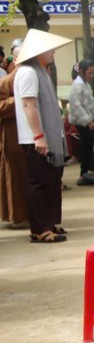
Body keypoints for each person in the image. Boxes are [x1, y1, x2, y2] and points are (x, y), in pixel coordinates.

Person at [14, 29, 72, 243]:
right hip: (35, 139)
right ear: (39, 51)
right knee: (38, 183)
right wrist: (39, 135)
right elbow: (29, 105)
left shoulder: (40, 71)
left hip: (44, 137)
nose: (53, 52)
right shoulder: (28, 72)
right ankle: (39, 229)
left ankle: (49, 223)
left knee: (51, 182)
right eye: (50, 49)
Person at [0, 45, 29, 229]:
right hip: (11, 135)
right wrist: (19, 100)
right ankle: (15, 216)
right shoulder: (6, 82)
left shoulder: (31, 77)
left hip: (29, 135)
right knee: (14, 177)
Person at [68, 59, 94, 186]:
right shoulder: (76, 86)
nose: (91, 76)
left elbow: (91, 105)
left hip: (89, 121)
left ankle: (84, 174)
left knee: (88, 146)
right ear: (82, 72)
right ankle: (93, 170)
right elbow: (76, 106)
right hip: (82, 122)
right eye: (89, 73)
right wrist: (88, 121)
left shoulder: (86, 85)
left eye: (93, 73)